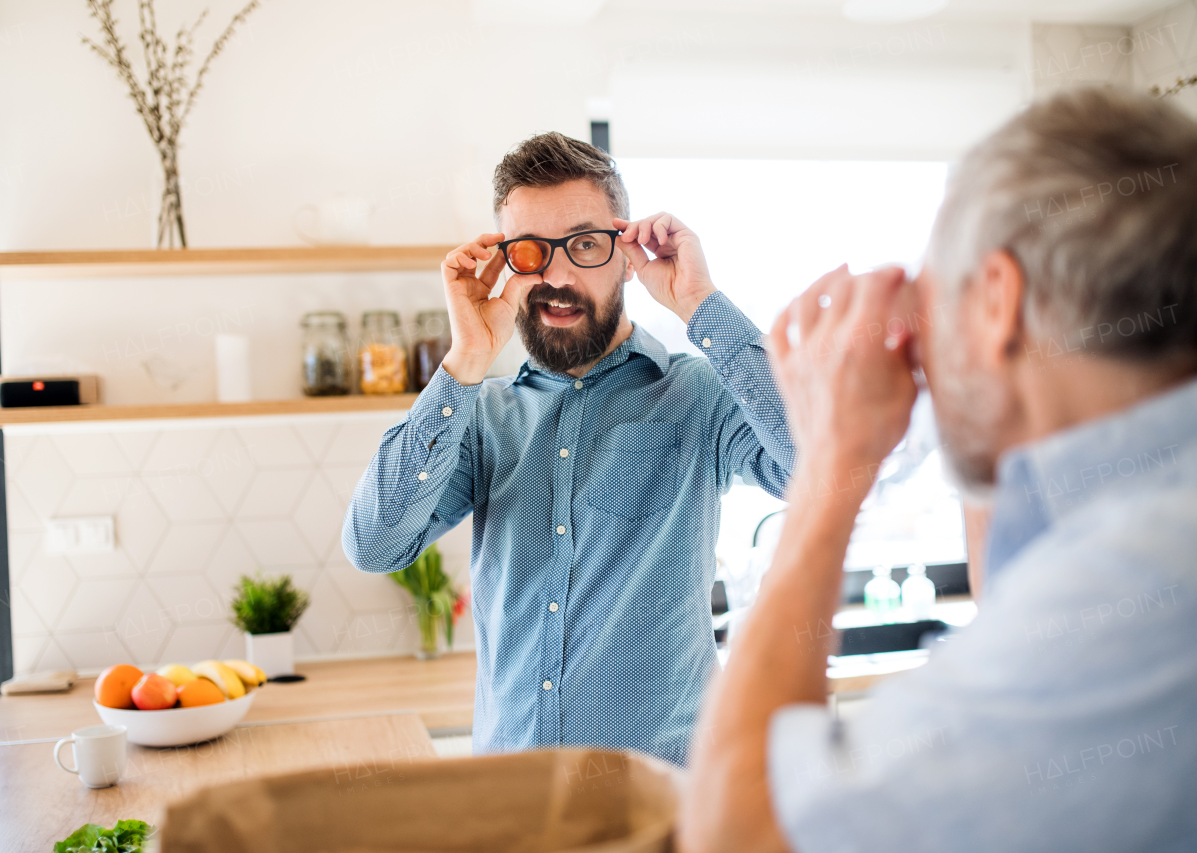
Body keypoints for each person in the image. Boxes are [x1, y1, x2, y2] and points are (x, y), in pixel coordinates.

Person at [678, 86, 1197, 852]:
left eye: (938, 296)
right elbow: (1017, 602)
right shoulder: (1143, 518)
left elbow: (735, 828)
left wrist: (831, 460)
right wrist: (987, 397)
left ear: (997, 300)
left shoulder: (1143, 578)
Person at [342, 132, 796, 765]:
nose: (556, 276)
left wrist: (701, 305)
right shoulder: (480, 415)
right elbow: (374, 543)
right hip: (515, 810)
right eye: (530, 251)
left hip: (663, 810)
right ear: (507, 263)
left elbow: (816, 462)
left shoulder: (697, 395)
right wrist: (468, 356)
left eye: (583, 244)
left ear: (625, 255)